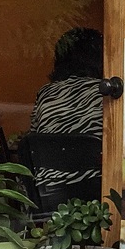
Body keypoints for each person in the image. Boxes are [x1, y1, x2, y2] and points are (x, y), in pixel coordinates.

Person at [29, 28, 104, 203]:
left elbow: (34, 140)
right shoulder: (106, 92)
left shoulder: (46, 93)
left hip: (49, 192)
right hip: (96, 192)